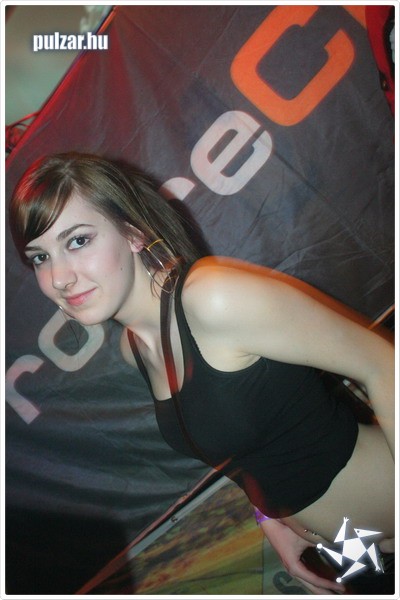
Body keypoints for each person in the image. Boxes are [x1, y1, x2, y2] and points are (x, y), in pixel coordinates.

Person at [9, 152, 395, 595]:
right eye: (40, 257)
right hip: (351, 551)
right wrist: (271, 516)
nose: (59, 276)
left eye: (78, 241)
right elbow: (248, 444)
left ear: (133, 233)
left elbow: (384, 363)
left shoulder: (210, 298)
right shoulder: (134, 348)